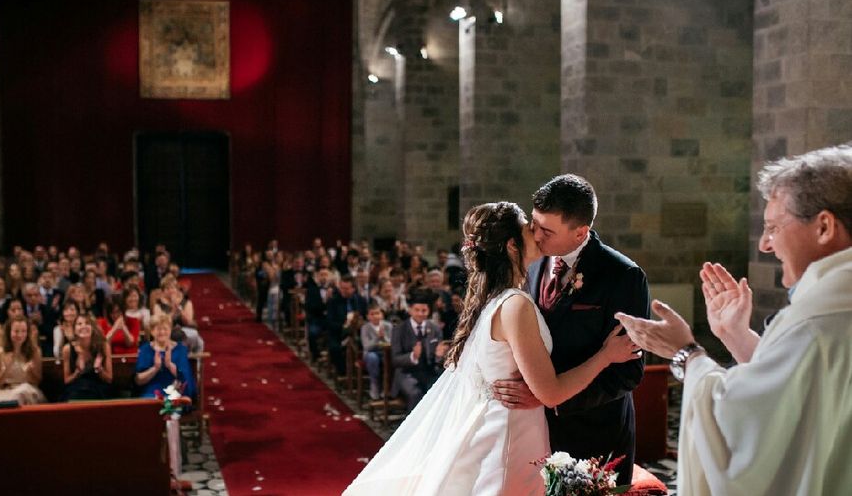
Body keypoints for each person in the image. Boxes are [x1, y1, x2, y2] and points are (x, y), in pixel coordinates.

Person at [345, 202, 638, 494]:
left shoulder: (494, 299)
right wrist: (606, 355)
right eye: (528, 227)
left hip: (504, 424)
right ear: (512, 245)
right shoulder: (515, 304)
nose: (536, 233)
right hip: (512, 432)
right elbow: (551, 393)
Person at [615, 144, 852, 495]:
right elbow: (803, 390)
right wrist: (735, 334)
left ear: (824, 227)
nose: (765, 245)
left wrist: (686, 354)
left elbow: (740, 424)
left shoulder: (820, 317)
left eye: (773, 227)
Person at [492, 174, 649, 484]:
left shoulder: (622, 276)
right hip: (537, 430)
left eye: (547, 230)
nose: (535, 235)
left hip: (595, 434)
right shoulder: (534, 262)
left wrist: (550, 397)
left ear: (581, 232)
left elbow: (627, 373)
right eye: (534, 223)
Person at [389, 291, 446, 411]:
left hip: (429, 372)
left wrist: (439, 356)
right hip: (406, 374)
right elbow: (395, 360)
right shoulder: (399, 330)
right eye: (417, 310)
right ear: (410, 310)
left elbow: (438, 359)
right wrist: (413, 356)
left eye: (424, 310)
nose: (420, 314)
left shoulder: (435, 329)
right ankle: (412, 428)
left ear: (429, 311)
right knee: (416, 393)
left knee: (442, 390)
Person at [0, 313, 45, 405]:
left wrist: (30, 371)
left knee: (21, 393)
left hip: (28, 390)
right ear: (9, 332)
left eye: (23, 331)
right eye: (16, 331)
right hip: (5, 390)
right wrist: (6, 369)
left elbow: (37, 381)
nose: (20, 335)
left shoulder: (35, 352)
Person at [135, 313, 195, 400]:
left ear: (170, 330)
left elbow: (186, 377)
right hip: (151, 394)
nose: (162, 332)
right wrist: (155, 368)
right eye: (158, 329)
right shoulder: (145, 349)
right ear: (152, 331)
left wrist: (170, 365)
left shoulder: (181, 349)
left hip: (175, 392)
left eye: (165, 329)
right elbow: (138, 380)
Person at [62, 314, 113, 400]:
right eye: (79, 324)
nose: (83, 326)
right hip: (76, 388)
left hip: (98, 387)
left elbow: (109, 379)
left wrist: (99, 369)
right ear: (74, 330)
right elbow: (66, 380)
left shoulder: (104, 346)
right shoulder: (67, 349)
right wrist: (77, 373)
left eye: (87, 323)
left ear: (92, 328)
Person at [360, 305, 393, 400]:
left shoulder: (388, 326)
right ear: (368, 316)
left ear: (382, 314)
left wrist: (383, 337)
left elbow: (392, 342)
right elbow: (367, 346)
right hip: (371, 353)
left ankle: (386, 387)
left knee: (391, 358)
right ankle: (375, 384)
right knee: (372, 358)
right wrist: (377, 337)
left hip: (385, 352)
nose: (375, 316)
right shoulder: (365, 328)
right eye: (372, 314)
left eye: (377, 313)